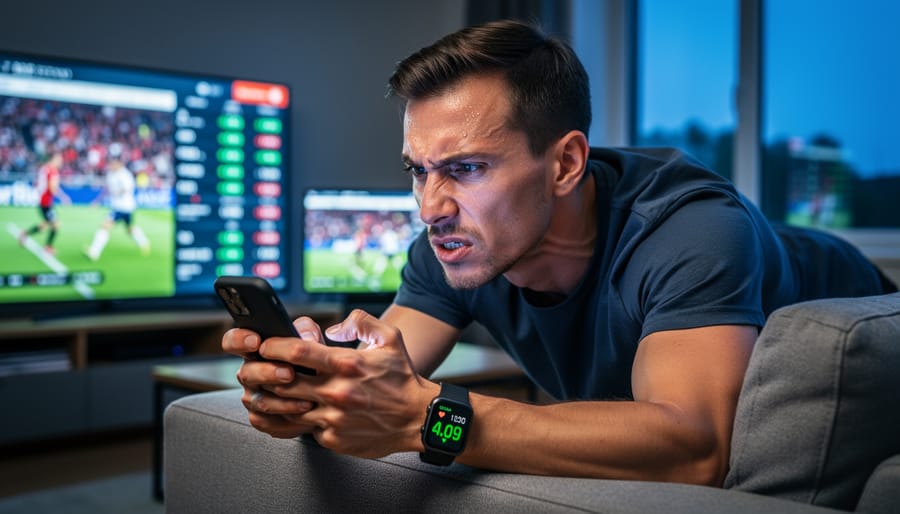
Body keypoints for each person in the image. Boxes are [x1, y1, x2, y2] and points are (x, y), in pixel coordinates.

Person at [222, 20, 896, 485]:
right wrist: (312, 381)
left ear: (566, 163)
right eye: (418, 170)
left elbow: (698, 451)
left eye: (467, 168)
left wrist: (436, 420)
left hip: (864, 348)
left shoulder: (690, 231)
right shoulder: (457, 243)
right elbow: (387, 372)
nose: (430, 206)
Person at [85, 155, 150, 261]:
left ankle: (94, 252)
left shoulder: (125, 175)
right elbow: (107, 189)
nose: (111, 165)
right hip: (117, 207)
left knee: (111, 227)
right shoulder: (110, 174)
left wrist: (116, 192)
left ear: (119, 164)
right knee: (124, 228)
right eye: (111, 163)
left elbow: (126, 189)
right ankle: (94, 251)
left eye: (114, 163)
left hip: (125, 207)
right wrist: (97, 200)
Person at [19, 151, 71, 255]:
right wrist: (63, 197)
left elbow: (38, 183)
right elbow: (52, 188)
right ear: (54, 159)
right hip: (46, 202)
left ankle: (25, 233)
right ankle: (48, 246)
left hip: (42, 200)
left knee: (46, 224)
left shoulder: (44, 168)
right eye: (59, 159)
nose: (61, 162)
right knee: (55, 225)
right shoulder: (53, 171)